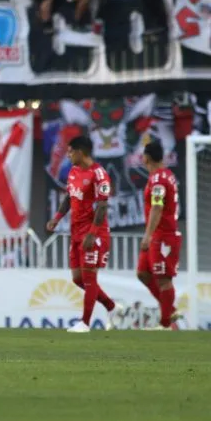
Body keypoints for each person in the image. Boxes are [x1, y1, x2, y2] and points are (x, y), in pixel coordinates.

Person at [47, 136, 123, 333]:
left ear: (81, 152)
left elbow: (103, 205)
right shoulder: (73, 171)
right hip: (76, 232)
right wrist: (57, 217)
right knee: (78, 278)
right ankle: (112, 307)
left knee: (90, 278)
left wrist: (92, 233)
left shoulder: (99, 174)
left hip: (94, 233)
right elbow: (68, 197)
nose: (69, 155)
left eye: (71, 151)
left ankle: (85, 323)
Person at [132, 141, 183, 330]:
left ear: (146, 157)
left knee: (164, 279)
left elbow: (157, 206)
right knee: (143, 273)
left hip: (163, 236)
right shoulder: (165, 176)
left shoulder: (158, 180)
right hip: (158, 235)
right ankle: (170, 311)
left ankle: (166, 323)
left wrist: (147, 235)